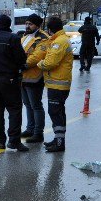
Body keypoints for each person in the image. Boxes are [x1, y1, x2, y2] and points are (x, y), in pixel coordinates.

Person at [0, 14, 29, 152]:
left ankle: (0, 141)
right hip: (9, 78)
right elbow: (21, 58)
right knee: (14, 110)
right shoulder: (13, 38)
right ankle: (14, 141)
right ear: (9, 25)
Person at [38, 16, 73, 153]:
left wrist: (39, 64)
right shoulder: (60, 40)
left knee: (55, 112)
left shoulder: (59, 42)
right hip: (58, 84)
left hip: (58, 85)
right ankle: (58, 139)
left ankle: (59, 143)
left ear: (50, 29)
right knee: (58, 112)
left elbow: (49, 63)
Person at [20, 13, 50, 143]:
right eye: (26, 23)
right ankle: (30, 128)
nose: (27, 26)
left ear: (37, 25)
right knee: (27, 104)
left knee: (36, 105)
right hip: (23, 76)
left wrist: (23, 65)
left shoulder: (43, 38)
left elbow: (37, 56)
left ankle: (38, 133)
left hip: (35, 76)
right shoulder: (25, 36)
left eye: (30, 24)